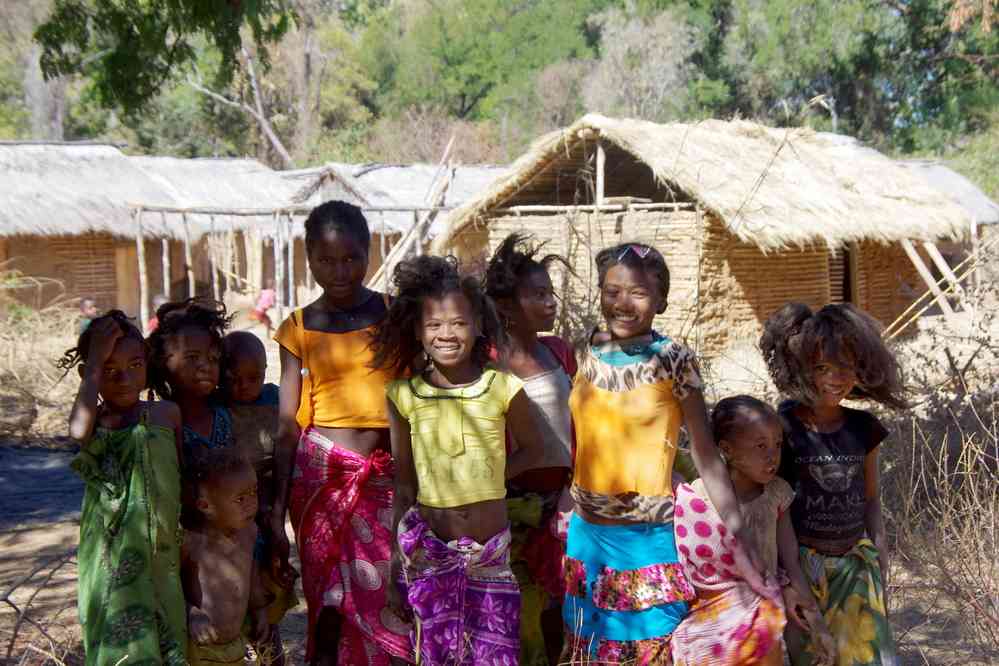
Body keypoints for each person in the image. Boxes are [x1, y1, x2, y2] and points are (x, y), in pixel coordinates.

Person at [563, 242, 774, 664]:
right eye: (612, 291)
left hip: (647, 543)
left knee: (649, 654)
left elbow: (707, 456)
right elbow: (584, 437)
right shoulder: (588, 350)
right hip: (586, 541)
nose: (623, 303)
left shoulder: (673, 360)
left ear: (660, 301)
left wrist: (745, 549)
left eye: (638, 293)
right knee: (585, 652)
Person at [370, 254, 544, 666]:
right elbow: (406, 485)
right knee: (438, 654)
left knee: (495, 655)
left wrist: (490, 477)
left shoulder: (501, 387)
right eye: (433, 325)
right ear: (417, 330)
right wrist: (396, 564)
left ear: (479, 325)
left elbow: (538, 449)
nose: (446, 334)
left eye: (458, 323)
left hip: (490, 554)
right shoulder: (404, 396)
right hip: (432, 553)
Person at [271, 201, 411, 666]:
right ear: (308, 256)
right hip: (320, 482)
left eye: (351, 257)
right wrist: (275, 511)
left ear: (368, 254)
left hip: (386, 479)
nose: (339, 270)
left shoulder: (396, 316)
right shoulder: (297, 327)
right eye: (326, 259)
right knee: (329, 605)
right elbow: (287, 425)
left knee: (388, 602)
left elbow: (414, 404)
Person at [760, 303, 905, 666]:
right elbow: (778, 509)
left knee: (867, 656)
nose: (835, 378)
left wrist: (880, 555)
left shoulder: (864, 427)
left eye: (846, 367)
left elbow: (871, 498)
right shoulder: (783, 427)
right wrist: (792, 577)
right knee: (816, 655)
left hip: (857, 565)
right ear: (800, 368)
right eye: (822, 367)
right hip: (804, 568)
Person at [59, 311, 187, 665]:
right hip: (111, 558)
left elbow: (180, 476)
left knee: (168, 636)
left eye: (134, 365)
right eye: (109, 370)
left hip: (163, 554)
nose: (124, 378)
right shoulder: (97, 423)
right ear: (92, 375)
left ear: (147, 365)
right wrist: (95, 358)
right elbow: (76, 432)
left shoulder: (166, 414)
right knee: (120, 641)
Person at [672, 395, 835, 666]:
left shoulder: (777, 494)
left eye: (777, 444)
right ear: (727, 449)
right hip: (714, 615)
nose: (772, 456)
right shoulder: (697, 496)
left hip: (764, 612)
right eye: (760, 446)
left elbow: (791, 561)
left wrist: (818, 623)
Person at [484, 232, 575, 666]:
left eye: (551, 292)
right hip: (513, 504)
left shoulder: (558, 352)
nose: (551, 302)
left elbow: (580, 424)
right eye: (538, 294)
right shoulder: (488, 364)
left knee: (560, 606)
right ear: (506, 307)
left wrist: (573, 487)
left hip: (563, 500)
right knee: (521, 612)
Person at [223, 329, 296, 663]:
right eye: (233, 377)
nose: (243, 386)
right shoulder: (215, 407)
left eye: (253, 377)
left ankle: (272, 656)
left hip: (264, 514)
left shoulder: (274, 400)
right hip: (229, 520)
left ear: (265, 372)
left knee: (267, 604)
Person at [182, 449, 270, 666]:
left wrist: (259, 611)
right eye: (240, 498)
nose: (251, 503)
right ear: (206, 506)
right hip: (199, 651)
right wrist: (191, 613)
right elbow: (168, 587)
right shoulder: (191, 541)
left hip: (235, 648)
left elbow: (252, 574)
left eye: (254, 492)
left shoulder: (250, 532)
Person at [146, 299, 233, 463]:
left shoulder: (225, 416)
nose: (206, 366)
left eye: (213, 358)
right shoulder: (159, 422)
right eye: (192, 357)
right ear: (162, 361)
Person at [223, 330, 280, 406]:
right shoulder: (212, 405)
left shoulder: (277, 396)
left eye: (254, 378)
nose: (244, 386)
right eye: (234, 379)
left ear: (264, 369)